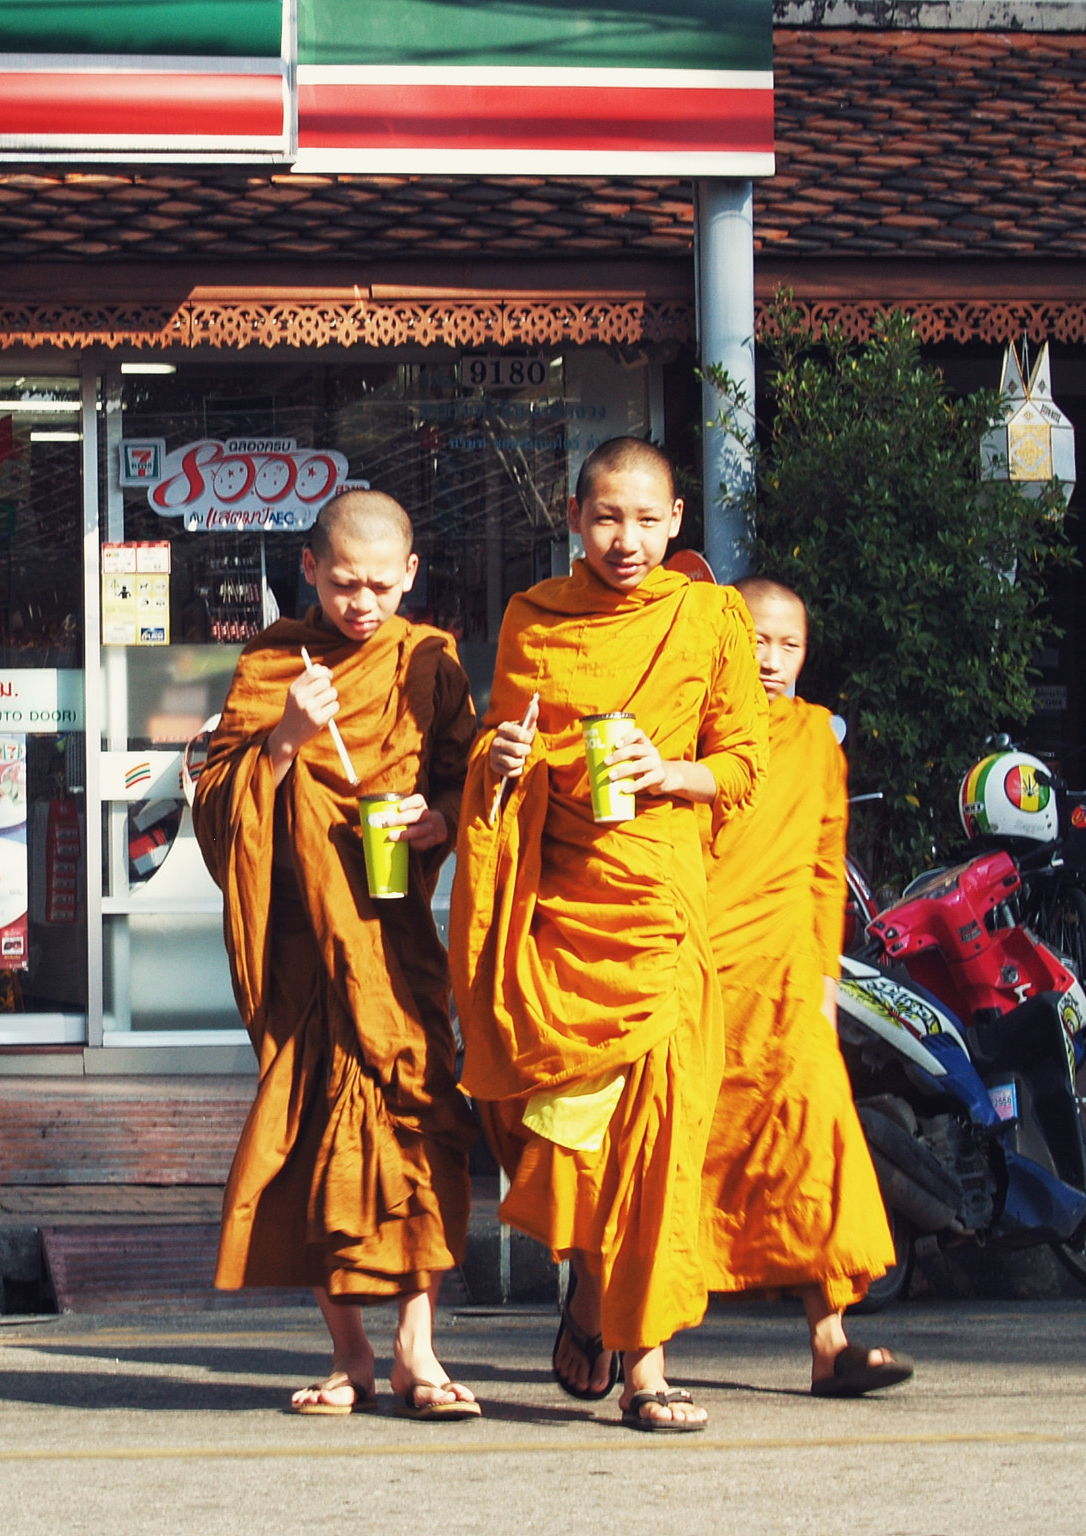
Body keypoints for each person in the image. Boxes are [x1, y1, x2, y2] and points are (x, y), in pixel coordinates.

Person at [450, 437, 768, 1433]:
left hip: (661, 920)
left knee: (659, 1147)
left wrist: (669, 769)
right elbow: (511, 758)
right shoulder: (533, 621)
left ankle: (646, 1366)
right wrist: (495, 764)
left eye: (644, 519)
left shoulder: (707, 616)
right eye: (604, 518)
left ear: (676, 520)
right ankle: (589, 1290)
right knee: (573, 1152)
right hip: (564, 920)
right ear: (570, 515)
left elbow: (742, 763)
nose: (624, 539)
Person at [196, 489, 485, 1419]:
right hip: (307, 957)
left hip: (396, 946)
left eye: (381, 586)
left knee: (420, 1136)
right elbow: (218, 807)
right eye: (345, 583)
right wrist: (285, 734)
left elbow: (464, 776)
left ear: (411, 575)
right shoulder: (274, 660)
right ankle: (352, 1355)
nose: (363, 605)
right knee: (320, 1149)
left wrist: (440, 815)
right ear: (311, 570)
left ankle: (419, 1351)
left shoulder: (432, 660)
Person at [702, 577, 911, 1395]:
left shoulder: (815, 741)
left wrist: (826, 977)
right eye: (757, 640)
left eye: (790, 646)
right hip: (698, 967)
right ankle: (637, 1340)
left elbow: (827, 869)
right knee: (675, 1148)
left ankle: (831, 1337)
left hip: (786, 978)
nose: (773, 661)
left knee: (816, 1138)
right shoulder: (692, 733)